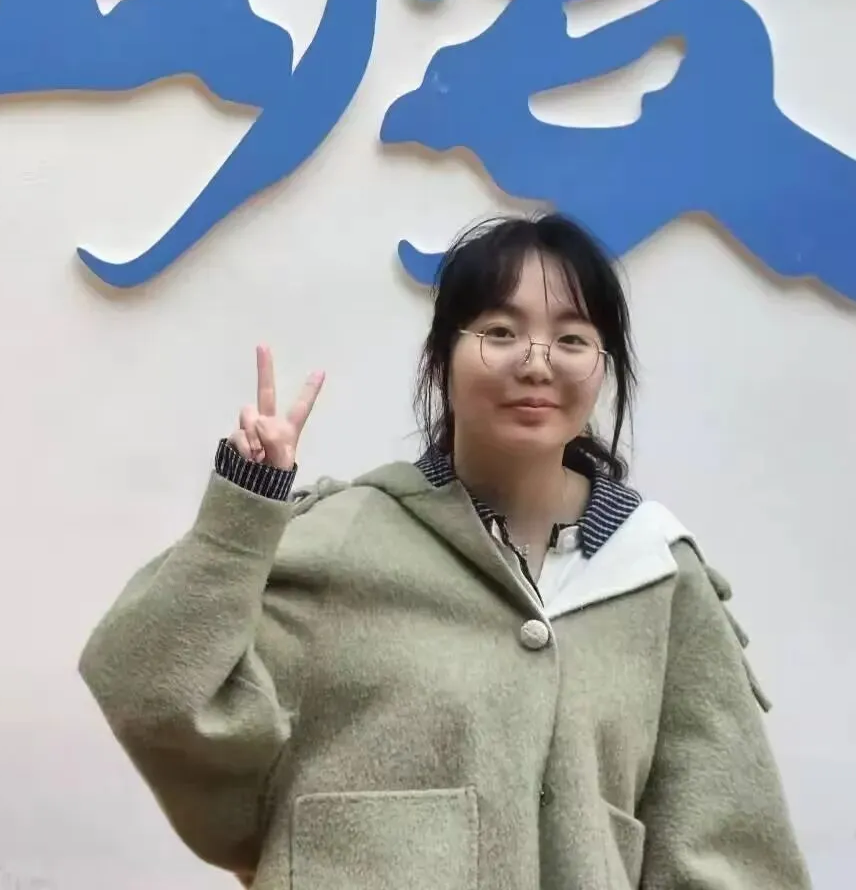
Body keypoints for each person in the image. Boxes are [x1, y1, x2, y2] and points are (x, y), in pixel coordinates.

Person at [79, 213, 811, 890]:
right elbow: (148, 691)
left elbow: (726, 848)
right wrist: (246, 505)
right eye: (500, 330)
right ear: (441, 359)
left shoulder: (656, 574)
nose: (536, 363)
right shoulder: (347, 536)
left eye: (572, 339)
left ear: (603, 367)